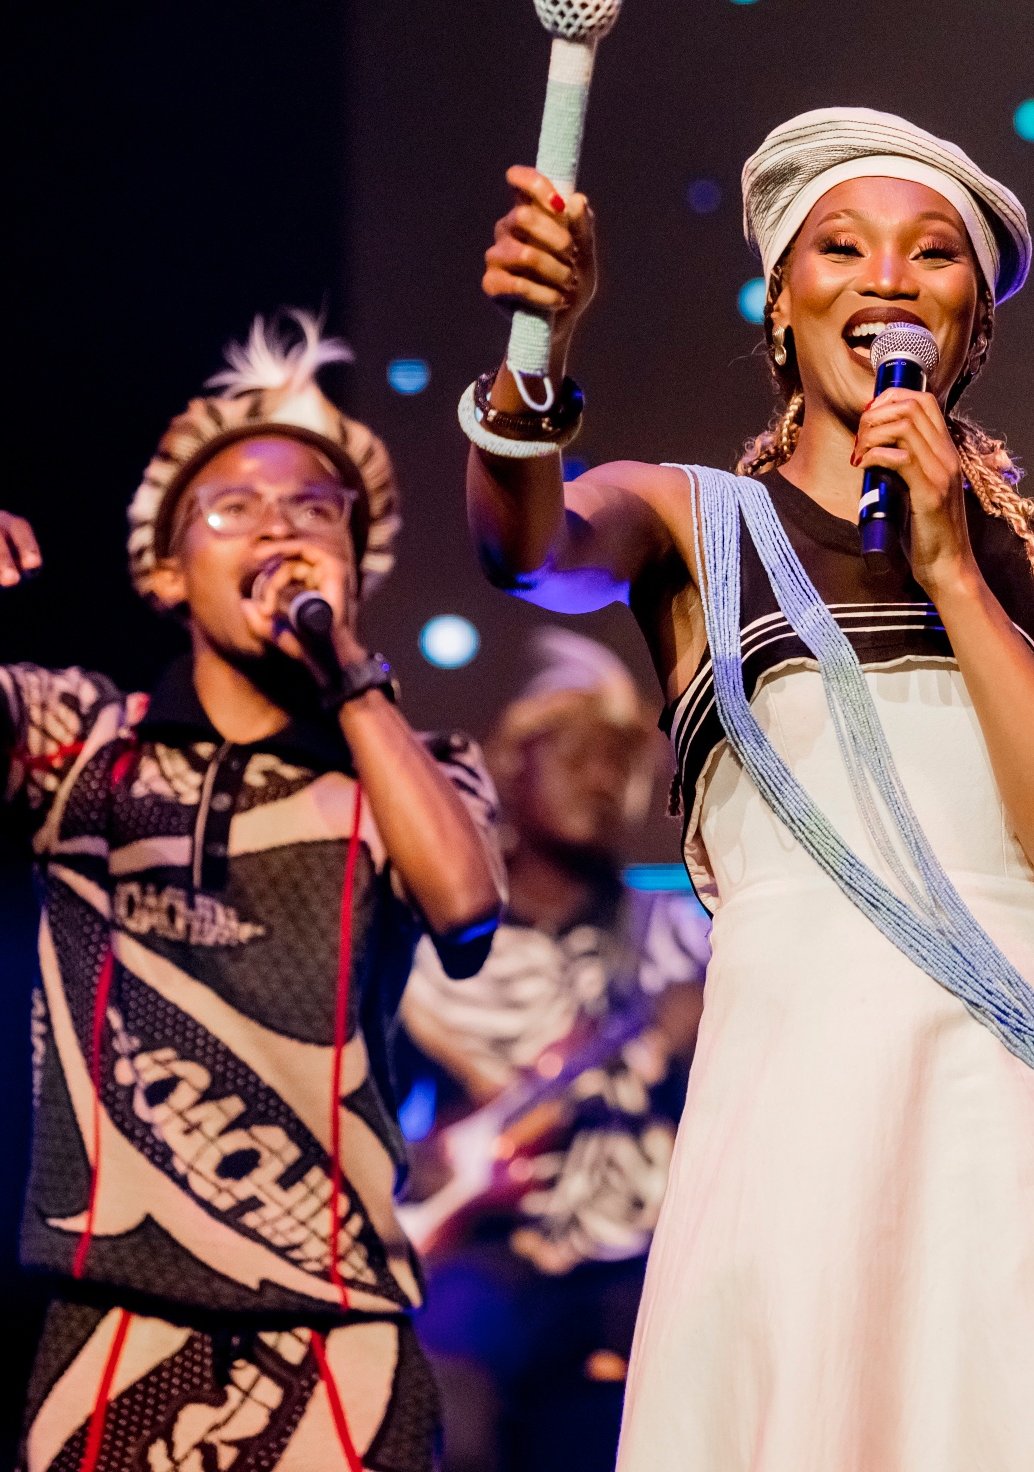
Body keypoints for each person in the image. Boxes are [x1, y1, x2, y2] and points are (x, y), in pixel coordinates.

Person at [460, 109, 1034, 1469]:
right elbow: (527, 546)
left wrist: (951, 569)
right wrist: (536, 358)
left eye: (930, 252)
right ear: (780, 300)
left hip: (1031, 1128)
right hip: (792, 1117)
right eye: (841, 246)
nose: (885, 278)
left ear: (972, 324)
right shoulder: (690, 524)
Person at [0, 311, 505, 1472]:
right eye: (233, 507)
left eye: (316, 508)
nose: (280, 526)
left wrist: (349, 674)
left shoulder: (415, 768)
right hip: (115, 1324)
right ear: (165, 567)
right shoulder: (81, 739)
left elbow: (464, 904)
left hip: (343, 1332)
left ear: (359, 560)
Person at [395, 629, 710, 1472]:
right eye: (574, 752)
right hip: (489, 1253)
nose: (601, 777)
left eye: (619, 759)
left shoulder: (683, 939)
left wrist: (694, 1035)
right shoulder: (431, 947)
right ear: (510, 763)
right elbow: (362, 1114)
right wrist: (428, 1162)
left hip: (644, 1259)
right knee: (435, 1391)